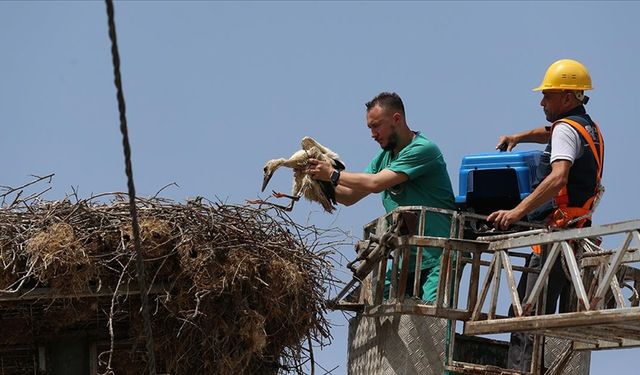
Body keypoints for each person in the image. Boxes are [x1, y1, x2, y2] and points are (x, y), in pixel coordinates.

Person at [487, 59, 604, 372]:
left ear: (566, 97)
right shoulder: (584, 125)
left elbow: (558, 178)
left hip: (555, 239)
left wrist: (516, 212)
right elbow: (550, 133)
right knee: (546, 319)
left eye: (547, 96)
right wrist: (519, 136)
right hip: (575, 237)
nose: (541, 101)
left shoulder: (567, 129)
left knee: (525, 319)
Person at [306, 92, 456, 302]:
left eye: (376, 126)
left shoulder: (423, 149)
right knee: (373, 303)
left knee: (432, 322)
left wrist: (332, 174)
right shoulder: (384, 157)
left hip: (438, 254)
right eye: (370, 128)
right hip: (406, 257)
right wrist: (318, 185)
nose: (373, 134)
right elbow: (349, 196)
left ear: (397, 119)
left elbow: (374, 184)